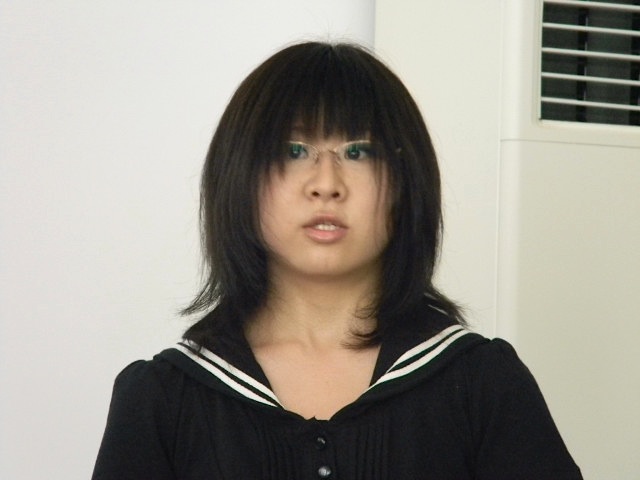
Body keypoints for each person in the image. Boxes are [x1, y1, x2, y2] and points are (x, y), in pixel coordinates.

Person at [92, 41, 582, 479]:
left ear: (406, 182)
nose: (326, 183)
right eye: (294, 150)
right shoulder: (162, 399)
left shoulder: (483, 384)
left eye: (358, 151)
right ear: (239, 176)